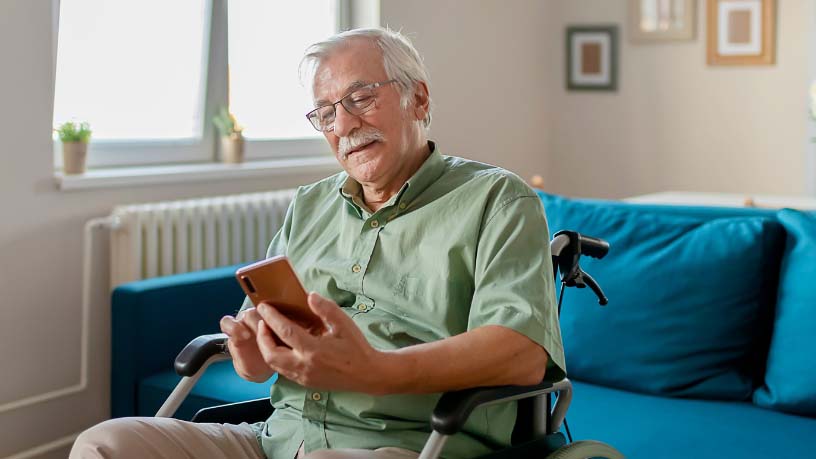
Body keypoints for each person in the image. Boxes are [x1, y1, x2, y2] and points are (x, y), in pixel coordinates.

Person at [70, 27, 565, 459]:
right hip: (277, 439)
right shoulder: (309, 205)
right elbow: (260, 353)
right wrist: (254, 352)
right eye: (326, 113)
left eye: (361, 97)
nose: (344, 124)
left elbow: (520, 355)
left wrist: (377, 370)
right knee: (105, 444)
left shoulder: (498, 199)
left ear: (419, 99)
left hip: (413, 443)